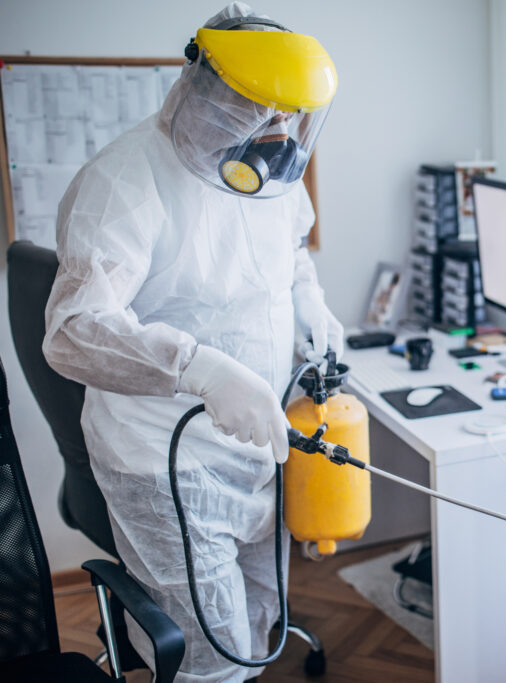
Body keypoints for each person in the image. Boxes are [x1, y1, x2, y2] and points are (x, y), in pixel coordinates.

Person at [42, 4, 343, 681]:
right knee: (215, 657)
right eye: (260, 111)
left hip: (255, 447)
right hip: (163, 460)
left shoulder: (271, 172)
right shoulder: (124, 181)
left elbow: (289, 249)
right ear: (209, 93)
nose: (280, 131)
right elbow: (71, 332)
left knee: (259, 625)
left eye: (289, 114)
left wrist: (311, 303)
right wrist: (197, 367)